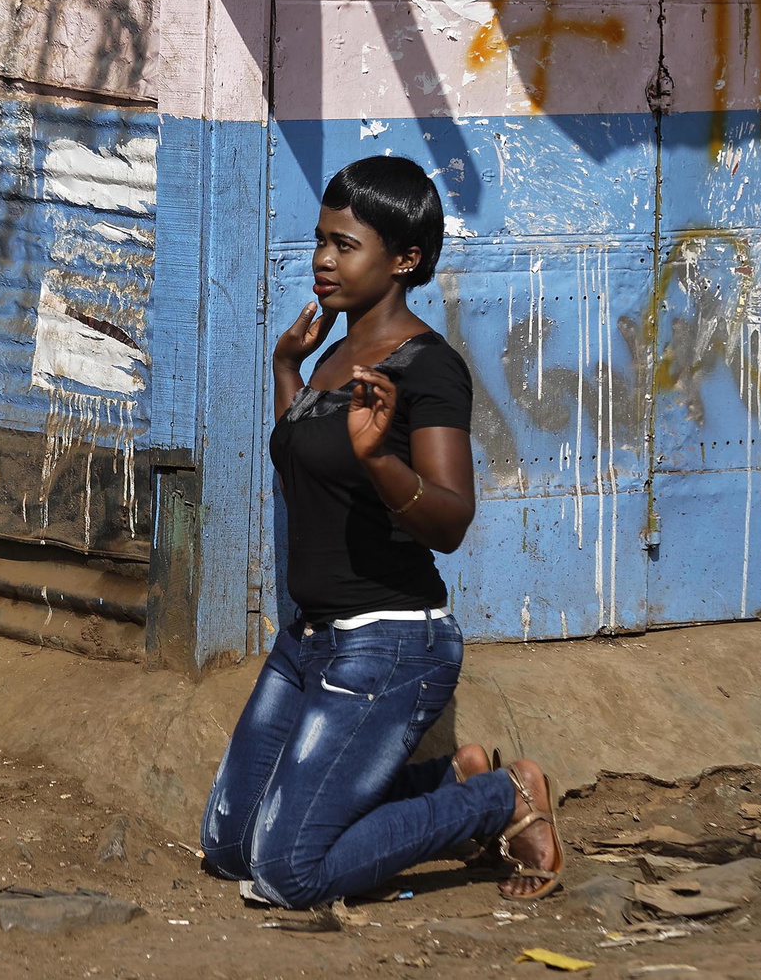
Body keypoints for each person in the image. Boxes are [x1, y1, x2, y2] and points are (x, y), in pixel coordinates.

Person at [200, 157, 563, 908]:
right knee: (231, 848)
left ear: (405, 259)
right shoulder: (333, 355)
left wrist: (380, 460)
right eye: (319, 241)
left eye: (344, 244)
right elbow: (311, 464)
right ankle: (446, 780)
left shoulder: (430, 370)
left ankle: (500, 799)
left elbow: (450, 519)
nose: (322, 261)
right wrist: (286, 371)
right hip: (308, 640)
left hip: (389, 642)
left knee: (287, 875)